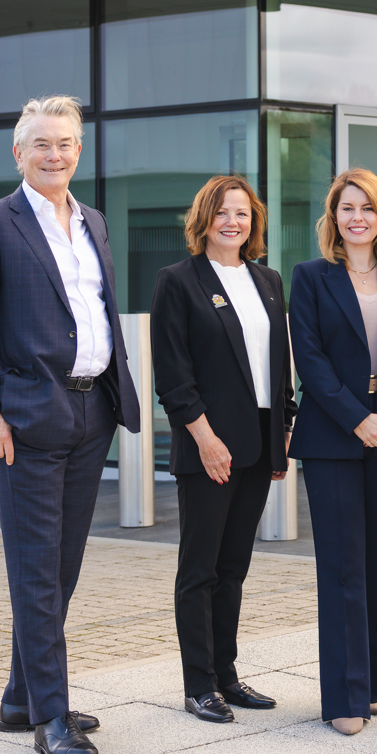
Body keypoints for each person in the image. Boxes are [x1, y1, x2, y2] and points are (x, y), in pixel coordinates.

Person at [0, 95, 142, 754]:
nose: (53, 154)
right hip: (26, 418)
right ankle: (50, 717)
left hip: (92, 413)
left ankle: (20, 696)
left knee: (60, 568)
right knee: (35, 570)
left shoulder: (93, 221)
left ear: (78, 151)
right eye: (41, 143)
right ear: (18, 153)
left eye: (64, 143)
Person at [149, 174, 296, 725]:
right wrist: (205, 438)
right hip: (207, 443)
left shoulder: (267, 280)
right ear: (203, 219)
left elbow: (277, 364)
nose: (232, 222)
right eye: (222, 212)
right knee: (200, 570)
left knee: (233, 567)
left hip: (258, 441)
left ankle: (226, 676)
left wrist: (284, 430)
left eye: (242, 213)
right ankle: (198, 684)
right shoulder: (178, 281)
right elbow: (173, 374)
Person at [287, 168, 377, 736]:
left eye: (367, 207)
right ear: (333, 217)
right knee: (342, 564)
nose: (357, 217)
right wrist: (357, 419)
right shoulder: (311, 276)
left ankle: (373, 686)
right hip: (332, 435)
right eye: (347, 208)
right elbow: (309, 358)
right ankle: (343, 698)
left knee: (376, 564)